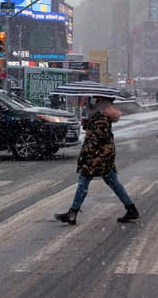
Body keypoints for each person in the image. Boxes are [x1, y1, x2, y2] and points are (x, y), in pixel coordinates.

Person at [54, 96, 139, 225]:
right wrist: (88, 124)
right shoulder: (99, 117)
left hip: (97, 157)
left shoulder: (100, 118)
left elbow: (99, 138)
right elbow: (98, 135)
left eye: (89, 103)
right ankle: (131, 208)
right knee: (113, 183)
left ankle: (73, 213)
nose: (86, 106)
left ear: (97, 104)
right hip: (101, 156)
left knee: (84, 183)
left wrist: (89, 127)